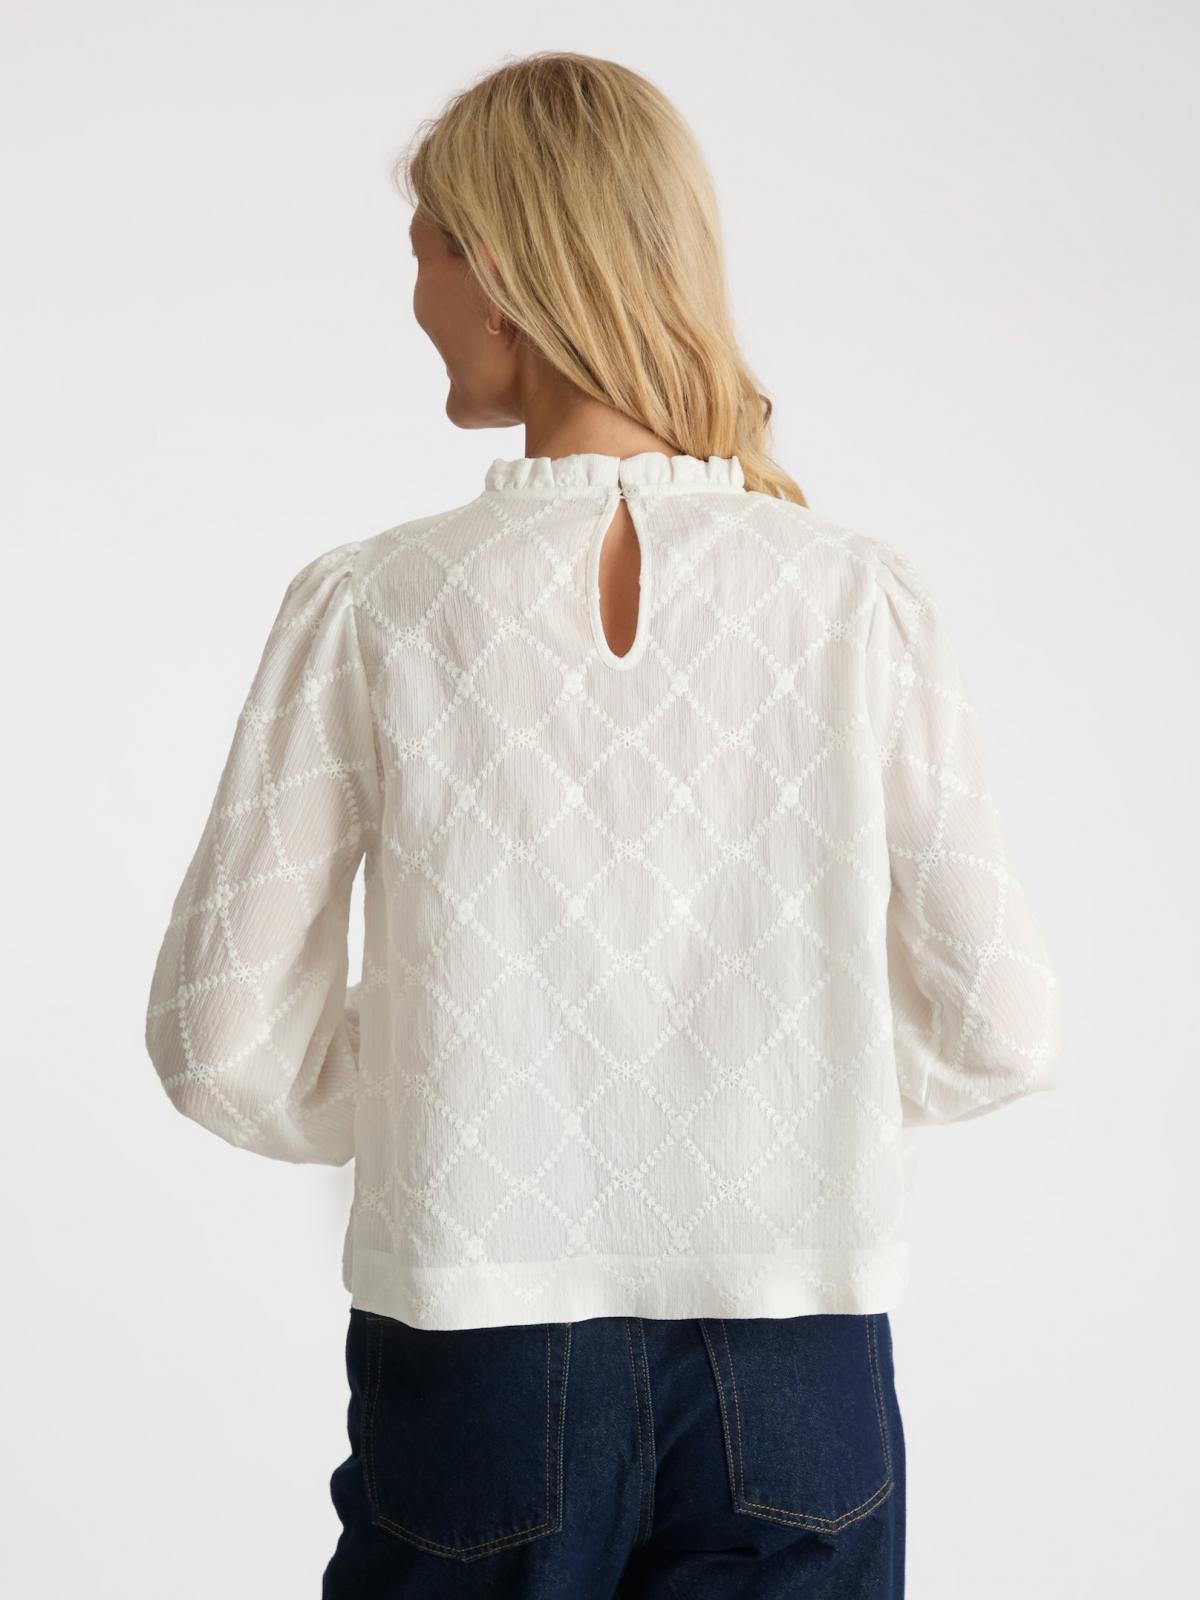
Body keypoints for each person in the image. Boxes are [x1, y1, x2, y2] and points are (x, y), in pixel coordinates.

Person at [144, 50, 1062, 1599]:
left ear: (499, 272)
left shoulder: (375, 605)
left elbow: (216, 1043)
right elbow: (1004, 1030)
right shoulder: (856, 601)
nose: (415, 300)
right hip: (799, 1372)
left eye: (425, 254)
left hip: (482, 1361)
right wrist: (788, 1076)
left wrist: (464, 1086)